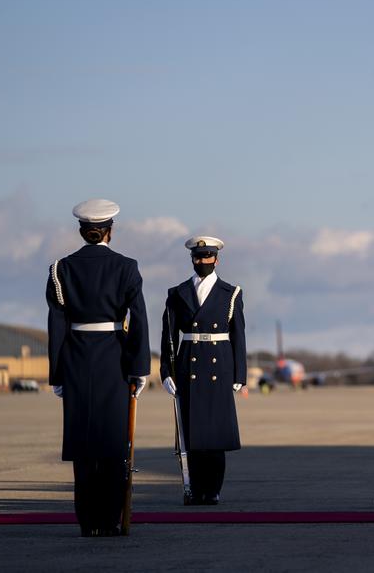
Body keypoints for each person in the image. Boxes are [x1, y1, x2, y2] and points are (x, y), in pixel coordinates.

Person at [46, 199, 150, 537]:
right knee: (113, 444)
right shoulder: (126, 267)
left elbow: (57, 325)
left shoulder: (61, 269)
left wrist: (57, 372)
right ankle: (109, 519)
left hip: (76, 359)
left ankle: (87, 521)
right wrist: (139, 368)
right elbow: (138, 320)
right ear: (110, 231)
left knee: (83, 446)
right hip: (113, 360)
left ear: (82, 231)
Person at [160, 236, 246, 505]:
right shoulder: (177, 293)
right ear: (192, 259)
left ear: (216, 259)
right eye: (198, 257)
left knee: (215, 435)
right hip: (189, 365)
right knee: (193, 434)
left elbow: (238, 336)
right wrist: (166, 371)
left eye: (207, 256)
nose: (202, 261)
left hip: (220, 367)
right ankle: (196, 489)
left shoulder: (231, 293)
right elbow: (168, 337)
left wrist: (239, 375)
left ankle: (213, 489)